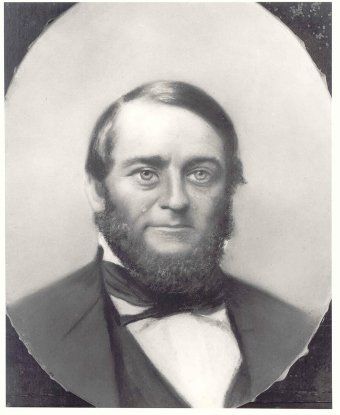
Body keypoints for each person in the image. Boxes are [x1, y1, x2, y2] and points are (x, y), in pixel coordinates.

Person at [7, 81, 314, 408]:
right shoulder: (28, 331)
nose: (176, 199)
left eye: (200, 174)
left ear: (229, 188)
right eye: (145, 174)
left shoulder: (297, 330)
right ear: (97, 190)